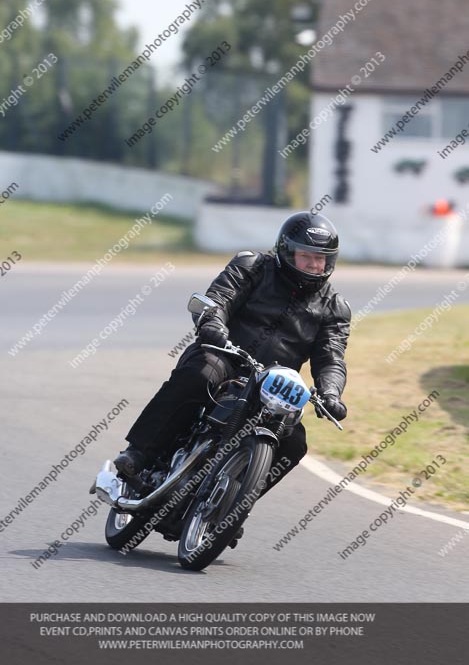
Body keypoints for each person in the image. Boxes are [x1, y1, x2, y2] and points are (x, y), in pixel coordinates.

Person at [114, 211, 351, 497]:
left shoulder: (334, 307)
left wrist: (331, 393)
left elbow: (331, 357)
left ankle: (236, 503)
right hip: (225, 356)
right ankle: (139, 454)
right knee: (199, 376)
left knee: (294, 442)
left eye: (321, 258)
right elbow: (218, 300)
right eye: (306, 256)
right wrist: (213, 323)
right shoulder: (252, 266)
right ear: (287, 252)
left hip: (272, 385)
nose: (314, 265)